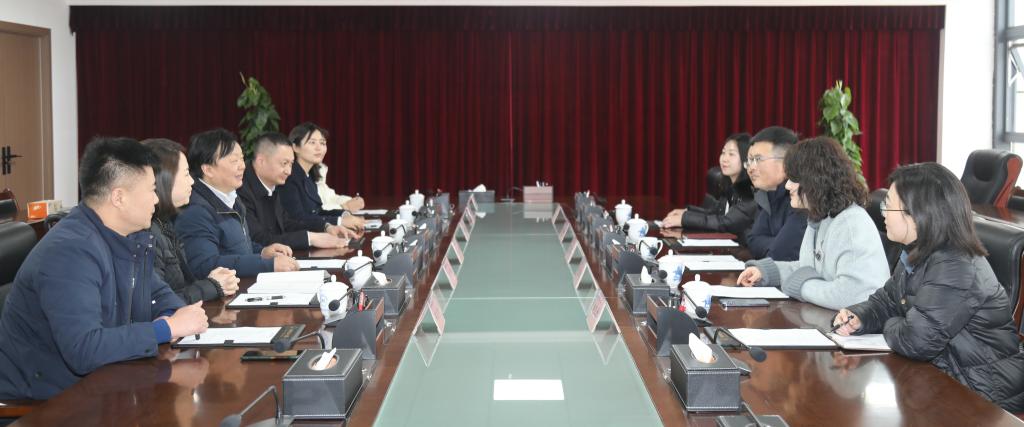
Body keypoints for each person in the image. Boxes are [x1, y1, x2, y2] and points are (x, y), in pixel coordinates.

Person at [0, 137, 208, 400]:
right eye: (152, 190)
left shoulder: (129, 236)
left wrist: (171, 315)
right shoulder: (70, 251)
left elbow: (159, 295)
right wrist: (166, 329)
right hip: (48, 398)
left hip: (103, 382)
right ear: (119, 197)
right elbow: (84, 350)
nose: (157, 200)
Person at [834, 163, 1024, 412]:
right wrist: (859, 316)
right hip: (942, 376)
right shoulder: (917, 253)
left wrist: (891, 323)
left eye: (888, 206)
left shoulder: (956, 264)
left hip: (982, 393)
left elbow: (917, 341)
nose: (883, 214)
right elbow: (886, 301)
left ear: (918, 214)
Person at [737, 137, 888, 310]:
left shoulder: (850, 224)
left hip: (860, 326)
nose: (787, 186)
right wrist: (766, 272)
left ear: (815, 181)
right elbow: (807, 268)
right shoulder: (820, 217)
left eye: (794, 179)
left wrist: (799, 287)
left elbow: (852, 295)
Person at [174, 128, 298, 278]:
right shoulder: (196, 211)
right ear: (208, 169)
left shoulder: (231, 196)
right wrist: (266, 264)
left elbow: (236, 247)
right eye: (234, 161)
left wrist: (262, 252)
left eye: (241, 158)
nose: (243, 166)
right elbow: (205, 265)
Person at [141, 138, 240, 303]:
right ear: (164, 179)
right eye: (186, 174)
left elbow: (181, 286)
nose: (192, 181)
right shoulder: (145, 232)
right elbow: (158, 303)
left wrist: (212, 282)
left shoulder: (165, 223)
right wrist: (212, 285)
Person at [238, 132, 357, 250]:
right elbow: (259, 239)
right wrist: (311, 238)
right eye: (284, 163)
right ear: (261, 161)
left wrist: (326, 227)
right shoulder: (241, 189)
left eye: (290, 164)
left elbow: (286, 223)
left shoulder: (272, 183)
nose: (288, 171)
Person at [662, 133, 757, 243]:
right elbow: (716, 213)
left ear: (746, 159)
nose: (724, 159)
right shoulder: (730, 187)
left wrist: (684, 219)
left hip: (745, 251)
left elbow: (725, 223)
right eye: (723, 152)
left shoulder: (750, 192)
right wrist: (686, 213)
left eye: (731, 154)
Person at [279, 122, 365, 231]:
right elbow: (298, 219)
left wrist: (345, 215)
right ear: (295, 147)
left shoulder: (308, 176)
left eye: (322, 143)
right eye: (312, 142)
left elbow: (318, 212)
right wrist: (339, 221)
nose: (319, 148)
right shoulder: (288, 177)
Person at [744, 126, 808, 261]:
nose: (751, 168)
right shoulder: (769, 195)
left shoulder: (801, 198)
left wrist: (775, 245)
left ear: (786, 162)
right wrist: (776, 243)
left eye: (758, 159)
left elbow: (782, 253)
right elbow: (752, 240)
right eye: (749, 161)